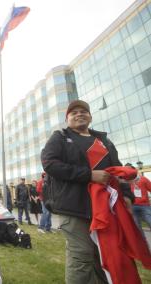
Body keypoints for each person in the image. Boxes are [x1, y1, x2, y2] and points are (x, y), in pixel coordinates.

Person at [41, 100, 134, 284]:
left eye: (83, 111)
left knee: (104, 255)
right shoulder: (59, 137)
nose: (79, 114)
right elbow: (50, 164)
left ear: (90, 116)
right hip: (73, 207)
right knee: (81, 255)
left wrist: (128, 196)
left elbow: (117, 170)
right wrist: (88, 175)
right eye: (73, 112)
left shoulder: (104, 141)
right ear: (67, 118)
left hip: (106, 208)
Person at [125, 163, 151, 237]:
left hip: (144, 206)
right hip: (132, 206)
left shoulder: (143, 179)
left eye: (129, 169)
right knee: (137, 228)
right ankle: (144, 246)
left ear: (134, 170)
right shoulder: (125, 181)